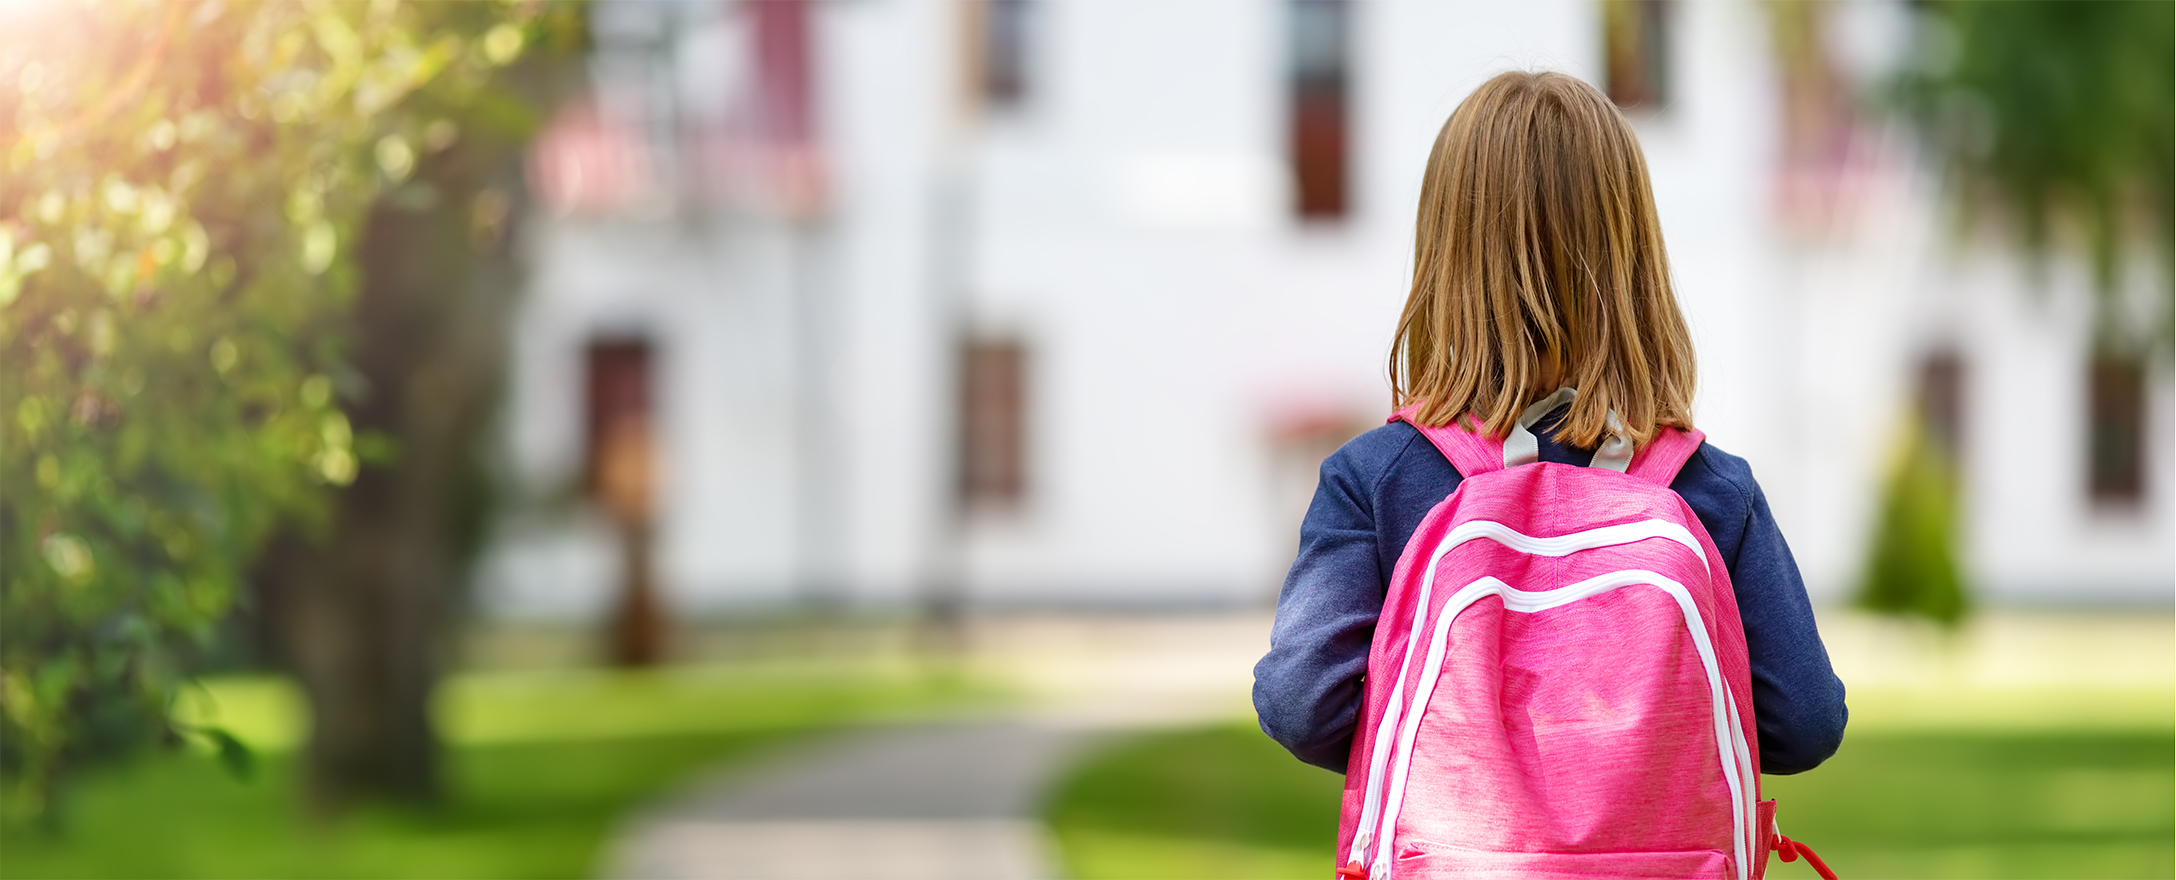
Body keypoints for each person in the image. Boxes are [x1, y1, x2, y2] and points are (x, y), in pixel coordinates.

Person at [1252, 70, 1847, 780]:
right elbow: (1805, 723)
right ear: (1633, 263)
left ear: (1446, 260)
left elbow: (1299, 703)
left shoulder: (1377, 480)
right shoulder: (1710, 491)